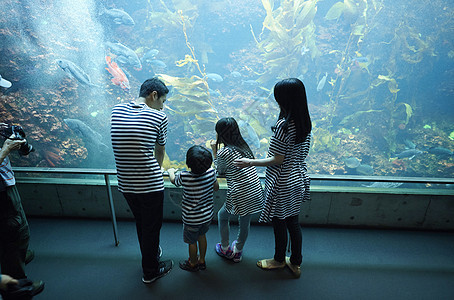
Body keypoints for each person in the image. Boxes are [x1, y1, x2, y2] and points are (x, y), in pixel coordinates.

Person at [234, 78, 312, 278]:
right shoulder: (305, 123)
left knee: (279, 222)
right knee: (293, 223)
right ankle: (295, 263)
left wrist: (249, 162)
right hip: (298, 178)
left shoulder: (283, 126)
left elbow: (277, 159)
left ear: (284, 99)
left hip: (283, 182)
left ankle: (278, 260)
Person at [110, 77, 173, 284]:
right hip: (150, 184)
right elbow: (160, 149)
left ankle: (150, 253)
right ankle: (151, 271)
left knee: (142, 222)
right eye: (162, 100)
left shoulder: (116, 111)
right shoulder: (159, 116)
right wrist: (156, 168)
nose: (162, 106)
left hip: (126, 183)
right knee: (152, 226)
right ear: (154, 95)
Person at [1, 75, 44, 296]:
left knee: (19, 230)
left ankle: (17, 254)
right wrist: (6, 149)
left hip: (7, 185)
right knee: (12, 232)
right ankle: (17, 286)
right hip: (2, 192)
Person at [210, 117, 263, 263]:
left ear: (220, 134)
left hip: (239, 191)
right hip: (254, 189)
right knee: (245, 220)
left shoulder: (224, 152)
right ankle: (238, 250)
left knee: (222, 216)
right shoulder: (244, 147)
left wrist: (214, 151)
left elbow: (219, 170)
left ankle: (225, 248)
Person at [167, 145, 219, 272]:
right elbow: (216, 187)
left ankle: (193, 264)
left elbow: (174, 181)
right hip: (207, 216)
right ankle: (202, 260)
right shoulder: (211, 172)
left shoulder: (184, 176)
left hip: (191, 218)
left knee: (192, 242)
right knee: (202, 236)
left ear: (188, 163)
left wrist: (171, 172)